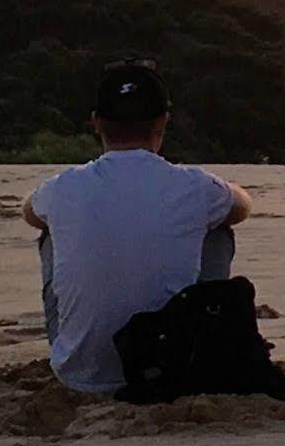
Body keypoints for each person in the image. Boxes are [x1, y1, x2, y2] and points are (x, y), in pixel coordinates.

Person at [22, 60, 254, 394]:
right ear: (164, 121)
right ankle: (200, 338)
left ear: (96, 122)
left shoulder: (64, 186)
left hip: (81, 376)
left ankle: (86, 347)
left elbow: (30, 212)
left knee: (50, 233)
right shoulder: (194, 185)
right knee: (218, 228)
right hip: (177, 368)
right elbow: (242, 207)